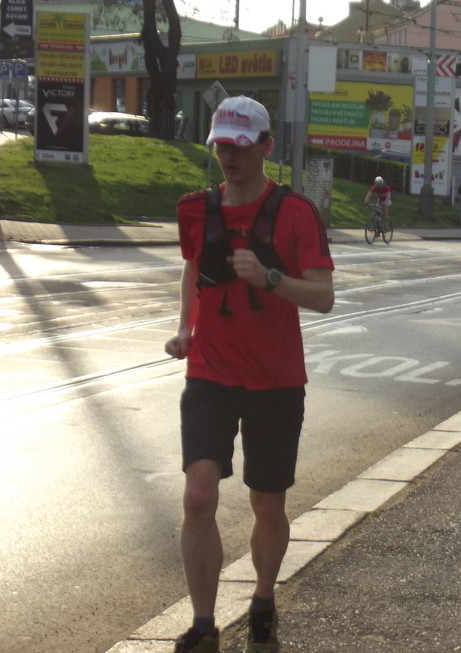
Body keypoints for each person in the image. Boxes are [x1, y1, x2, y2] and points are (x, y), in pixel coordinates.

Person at [164, 95, 335, 653]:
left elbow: (325, 296)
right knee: (197, 497)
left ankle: (263, 596)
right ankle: (205, 625)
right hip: (210, 371)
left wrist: (269, 278)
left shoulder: (296, 213)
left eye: (240, 146)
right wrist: (185, 326)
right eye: (220, 145)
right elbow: (193, 267)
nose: (228, 156)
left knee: (268, 503)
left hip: (276, 380)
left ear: (265, 146)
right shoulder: (196, 209)